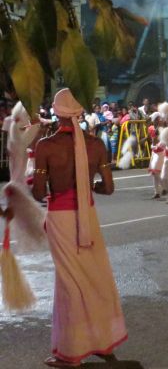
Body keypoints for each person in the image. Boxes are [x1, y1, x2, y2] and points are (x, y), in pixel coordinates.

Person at [32, 88, 127, 367]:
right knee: (96, 278)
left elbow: (38, 193)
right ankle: (103, 341)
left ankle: (71, 351)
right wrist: (89, 185)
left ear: (56, 112)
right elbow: (108, 187)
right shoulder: (96, 145)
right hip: (88, 216)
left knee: (70, 283)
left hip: (61, 220)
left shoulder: (46, 146)